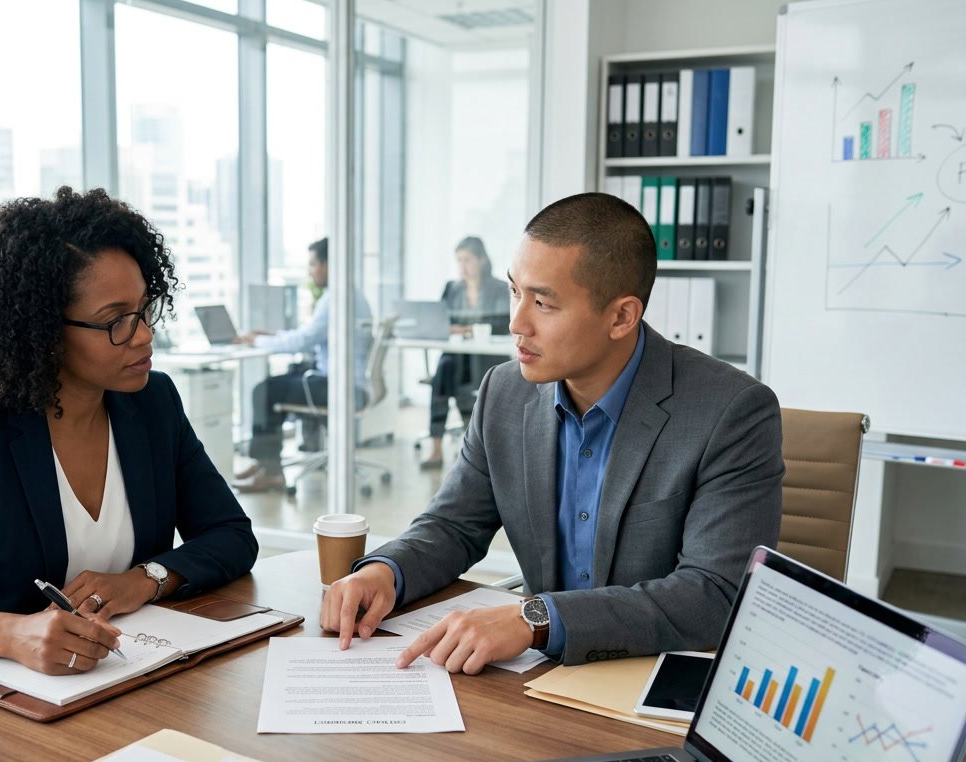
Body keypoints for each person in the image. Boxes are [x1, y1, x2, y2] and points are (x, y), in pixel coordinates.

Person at [320, 192, 783, 672]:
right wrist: (385, 571)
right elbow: (454, 525)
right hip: (539, 680)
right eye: (515, 292)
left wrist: (537, 619)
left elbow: (714, 593)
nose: (516, 322)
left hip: (650, 679)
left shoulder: (730, 412)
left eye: (542, 302)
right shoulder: (504, 391)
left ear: (621, 316)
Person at [0, 187, 258, 675]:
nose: (145, 334)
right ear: (40, 331)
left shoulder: (152, 402)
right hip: (7, 699)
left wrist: (145, 578)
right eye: (116, 321)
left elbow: (231, 535)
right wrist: (9, 633)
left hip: (126, 677)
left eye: (145, 309)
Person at [233, 237, 374, 493]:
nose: (311, 271)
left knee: (265, 391)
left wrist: (259, 341)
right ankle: (267, 463)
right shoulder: (353, 295)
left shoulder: (336, 299)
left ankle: (270, 469)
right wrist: (270, 336)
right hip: (348, 382)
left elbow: (303, 341)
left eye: (313, 264)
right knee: (281, 382)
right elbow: (309, 336)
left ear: (330, 264)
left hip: (339, 386)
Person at [421, 236, 511, 469]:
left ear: (481, 260)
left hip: (486, 356)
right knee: (443, 372)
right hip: (457, 356)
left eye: (467, 260)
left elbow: (505, 323)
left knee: (453, 374)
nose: (462, 266)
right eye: (458, 260)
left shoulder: (500, 289)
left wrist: (468, 329)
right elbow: (440, 321)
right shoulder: (452, 289)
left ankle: (475, 443)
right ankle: (436, 446)